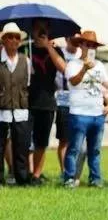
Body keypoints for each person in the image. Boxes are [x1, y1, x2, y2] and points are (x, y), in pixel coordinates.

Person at [63, 31, 108, 188]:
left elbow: (107, 86)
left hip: (97, 113)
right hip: (79, 113)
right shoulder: (73, 64)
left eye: (93, 46)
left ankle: (95, 179)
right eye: (88, 45)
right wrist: (84, 68)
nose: (91, 48)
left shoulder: (100, 65)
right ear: (80, 45)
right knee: (74, 148)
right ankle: (69, 178)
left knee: (95, 150)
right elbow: (73, 82)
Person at [29, 18, 66, 185]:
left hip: (47, 102)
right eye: (38, 28)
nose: (41, 32)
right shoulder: (26, 48)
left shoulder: (56, 50)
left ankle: (36, 175)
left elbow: (64, 69)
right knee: (23, 140)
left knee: (41, 141)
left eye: (44, 29)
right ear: (32, 30)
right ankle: (25, 172)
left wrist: (48, 47)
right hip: (26, 101)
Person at [0, 23, 31, 186]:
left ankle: (22, 179)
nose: (14, 40)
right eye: (10, 37)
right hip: (1, 109)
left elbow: (28, 85)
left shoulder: (26, 61)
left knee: (22, 146)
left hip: (21, 109)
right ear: (3, 40)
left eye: (17, 37)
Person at [54, 35, 81, 174]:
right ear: (66, 39)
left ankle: (75, 171)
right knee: (64, 139)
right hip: (63, 99)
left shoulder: (83, 54)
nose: (75, 43)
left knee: (78, 139)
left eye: (78, 40)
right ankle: (64, 171)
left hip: (79, 100)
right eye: (72, 39)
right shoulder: (59, 53)